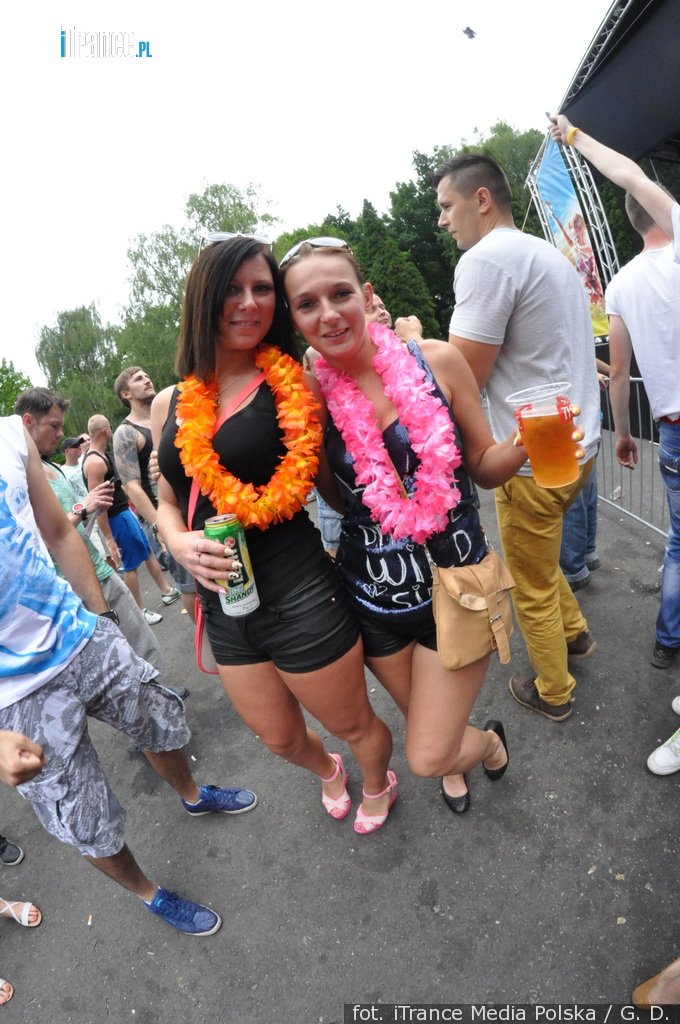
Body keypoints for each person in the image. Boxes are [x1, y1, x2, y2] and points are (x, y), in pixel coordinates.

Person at [152, 234, 395, 835]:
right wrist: (176, 542)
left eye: (262, 289)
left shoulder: (299, 386)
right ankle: (328, 770)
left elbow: (347, 469)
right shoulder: (169, 403)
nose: (249, 302)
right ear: (204, 297)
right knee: (281, 738)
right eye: (232, 289)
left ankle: (377, 782)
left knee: (353, 723)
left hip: (299, 592)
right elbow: (168, 499)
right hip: (225, 601)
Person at [281, 237, 526, 814]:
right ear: (294, 320)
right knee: (428, 724)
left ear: (366, 296)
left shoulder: (437, 360)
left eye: (340, 294)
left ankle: (487, 745)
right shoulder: (309, 402)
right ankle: (459, 758)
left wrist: (524, 446)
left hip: (457, 587)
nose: (329, 313)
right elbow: (336, 499)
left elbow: (483, 465)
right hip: (374, 600)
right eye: (308, 304)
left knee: (427, 753)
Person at [0, 414, 257, 936]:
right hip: (14, 696)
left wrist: (103, 619)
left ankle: (192, 795)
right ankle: (149, 893)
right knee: (81, 815)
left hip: (80, 635)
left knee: (158, 718)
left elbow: (58, 531)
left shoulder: (9, 433)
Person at [431, 152, 601, 722]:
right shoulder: (546, 254)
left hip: (531, 459)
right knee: (540, 561)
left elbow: (461, 379)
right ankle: (575, 635)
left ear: (481, 200)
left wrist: (416, 344)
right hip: (576, 446)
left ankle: (554, 691)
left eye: (447, 206)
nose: (442, 220)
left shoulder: (486, 260)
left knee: (529, 581)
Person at [550, 114, 680, 672]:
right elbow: (629, 174)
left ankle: (668, 640)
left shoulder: (622, 283)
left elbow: (620, 373)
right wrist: (574, 136)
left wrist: (623, 434)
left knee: (679, 542)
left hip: (671, 432)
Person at [14, 388, 188, 692]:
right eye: (54, 425)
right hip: (70, 586)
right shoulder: (17, 477)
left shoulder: (48, 465)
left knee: (139, 639)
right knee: (110, 660)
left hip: (98, 570)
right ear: (28, 422)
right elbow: (38, 538)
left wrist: (92, 511)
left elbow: (71, 522)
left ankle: (160, 696)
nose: (61, 433)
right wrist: (84, 510)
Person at [113, 367, 195, 615]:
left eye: (147, 375)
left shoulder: (168, 415)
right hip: (163, 515)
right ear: (126, 394)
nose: (147, 379)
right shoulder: (126, 432)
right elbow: (131, 486)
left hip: (191, 504)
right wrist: (160, 525)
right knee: (192, 587)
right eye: (139, 379)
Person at [83, 414, 177, 625]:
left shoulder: (104, 455)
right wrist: (109, 537)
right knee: (131, 564)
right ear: (105, 431)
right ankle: (140, 611)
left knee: (146, 552)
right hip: (116, 518)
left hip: (125, 513)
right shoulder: (95, 462)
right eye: (110, 426)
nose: (112, 430)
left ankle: (167, 590)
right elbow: (98, 504)